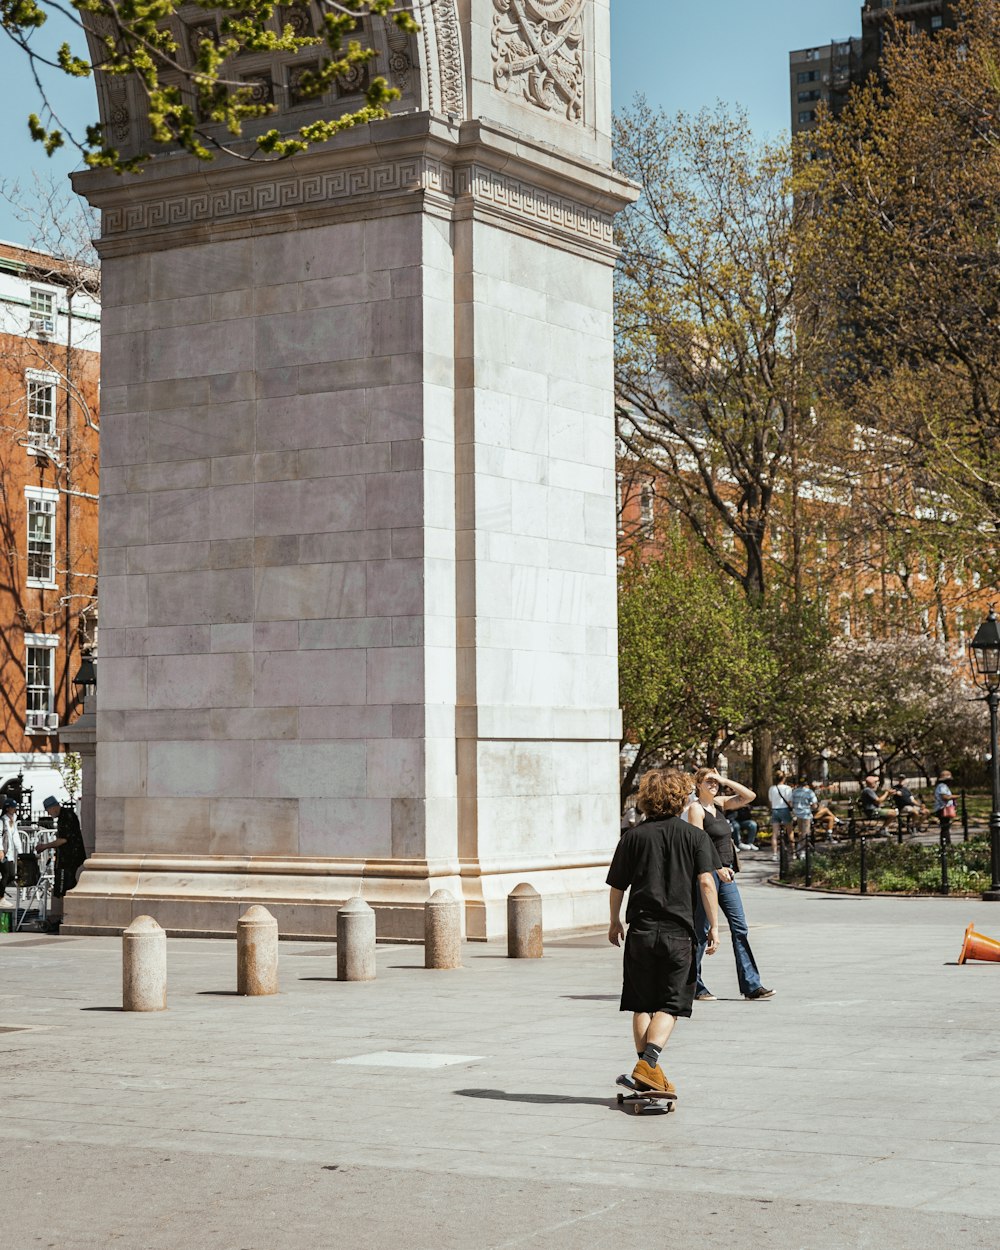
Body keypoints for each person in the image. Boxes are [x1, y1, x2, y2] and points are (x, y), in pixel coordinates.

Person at [607, 768, 719, 1097]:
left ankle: (647, 1073)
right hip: (678, 931)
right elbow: (706, 882)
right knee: (671, 1005)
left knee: (642, 1003)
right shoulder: (695, 837)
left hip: (641, 930)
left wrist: (614, 920)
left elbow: (617, 885)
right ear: (681, 797)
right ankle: (648, 1066)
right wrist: (714, 924)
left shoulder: (633, 837)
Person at [685, 768, 775, 1003]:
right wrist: (716, 869)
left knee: (740, 928)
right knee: (701, 932)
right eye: (708, 781)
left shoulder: (720, 804)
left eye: (715, 781)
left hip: (728, 875)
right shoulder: (696, 809)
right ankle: (694, 985)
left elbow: (750, 796)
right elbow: (699, 845)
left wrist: (724, 780)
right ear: (698, 784)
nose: (713, 784)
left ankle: (752, 985)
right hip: (708, 874)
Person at [35, 796, 87, 898]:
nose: (48, 813)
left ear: (53, 807)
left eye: (48, 810)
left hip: (70, 858)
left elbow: (63, 839)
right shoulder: (63, 816)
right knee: (64, 885)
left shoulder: (66, 816)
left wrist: (45, 846)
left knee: (66, 886)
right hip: (67, 857)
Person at [767, 770, 793, 862]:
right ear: (784, 778)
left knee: (774, 834)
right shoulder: (787, 788)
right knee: (789, 831)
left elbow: (770, 801)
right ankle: (792, 852)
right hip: (784, 809)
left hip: (775, 810)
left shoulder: (772, 788)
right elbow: (790, 801)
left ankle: (774, 854)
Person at [789, 777, 818, 850]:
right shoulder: (809, 792)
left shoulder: (795, 792)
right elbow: (814, 805)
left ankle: (799, 846)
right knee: (806, 832)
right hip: (806, 814)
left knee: (800, 831)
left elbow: (791, 804)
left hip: (798, 814)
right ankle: (803, 849)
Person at [0, 798, 20, 898]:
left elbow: (15, 836)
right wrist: (0, 849)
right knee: (6, 874)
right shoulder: (2, 820)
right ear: (7, 808)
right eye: (13, 807)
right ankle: (1, 896)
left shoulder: (13, 820)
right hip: (3, 851)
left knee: (11, 875)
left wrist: (20, 850)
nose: (15, 809)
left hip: (10, 853)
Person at [934, 771, 956, 845]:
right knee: (945, 827)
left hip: (944, 808)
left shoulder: (943, 786)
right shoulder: (942, 786)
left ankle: (946, 842)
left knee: (946, 827)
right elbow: (945, 797)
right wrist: (955, 797)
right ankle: (945, 843)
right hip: (943, 809)